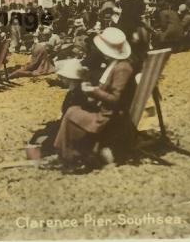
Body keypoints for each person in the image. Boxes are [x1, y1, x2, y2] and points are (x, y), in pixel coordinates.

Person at [53, 27, 136, 170]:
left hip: (109, 117)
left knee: (71, 112)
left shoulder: (122, 68)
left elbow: (115, 99)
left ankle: (67, 155)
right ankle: (66, 153)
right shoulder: (120, 65)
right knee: (73, 110)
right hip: (111, 112)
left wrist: (94, 91)